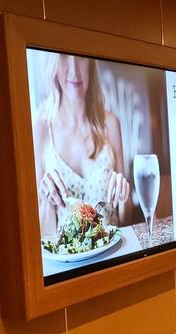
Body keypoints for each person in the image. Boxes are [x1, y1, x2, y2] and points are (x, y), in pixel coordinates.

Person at [33, 53, 130, 237]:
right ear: (53, 62)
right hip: (70, 262)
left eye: (81, 58)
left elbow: (125, 220)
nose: (74, 70)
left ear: (92, 64)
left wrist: (124, 198)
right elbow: (43, 235)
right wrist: (46, 202)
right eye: (63, 56)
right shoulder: (41, 127)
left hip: (113, 256)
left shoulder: (111, 123)